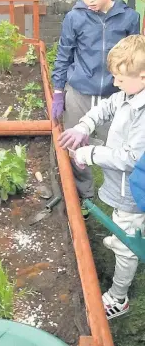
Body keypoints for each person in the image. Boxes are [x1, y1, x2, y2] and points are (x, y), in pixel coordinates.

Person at [58, 35, 145, 319]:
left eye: (120, 79)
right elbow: (106, 106)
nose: (115, 84)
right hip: (123, 187)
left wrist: (89, 154)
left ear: (142, 76)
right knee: (128, 225)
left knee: (127, 244)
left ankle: (118, 299)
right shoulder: (128, 94)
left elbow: (132, 158)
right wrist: (84, 125)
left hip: (134, 189)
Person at [51, 0, 140, 218]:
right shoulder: (75, 17)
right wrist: (59, 92)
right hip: (80, 92)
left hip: (116, 95)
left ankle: (125, 200)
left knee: (119, 149)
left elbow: (134, 57)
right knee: (76, 147)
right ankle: (85, 195)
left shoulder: (129, 17)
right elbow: (64, 54)